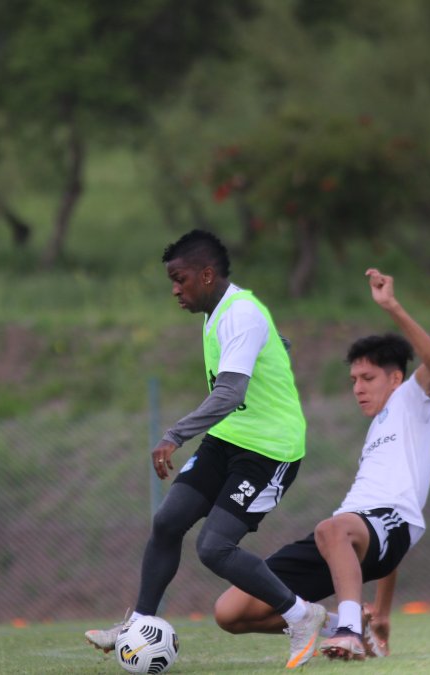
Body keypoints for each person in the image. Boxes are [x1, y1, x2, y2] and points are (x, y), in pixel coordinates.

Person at [84, 229, 328, 668]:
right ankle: (140, 623)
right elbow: (260, 355)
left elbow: (230, 393)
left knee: (214, 547)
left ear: (208, 275)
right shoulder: (220, 312)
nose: (175, 290)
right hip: (230, 438)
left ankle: (301, 615)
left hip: (270, 451)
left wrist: (175, 433)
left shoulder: (241, 312)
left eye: (180, 279)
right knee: (168, 521)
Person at [213, 268, 430, 662]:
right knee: (231, 612)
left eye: (367, 377)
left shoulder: (414, 402)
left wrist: (391, 306)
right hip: (350, 534)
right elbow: (377, 550)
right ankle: (338, 620)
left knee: (333, 528)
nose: (357, 387)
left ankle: (349, 631)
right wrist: (384, 613)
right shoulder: (377, 433)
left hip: (375, 525)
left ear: (395, 379)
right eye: (353, 378)